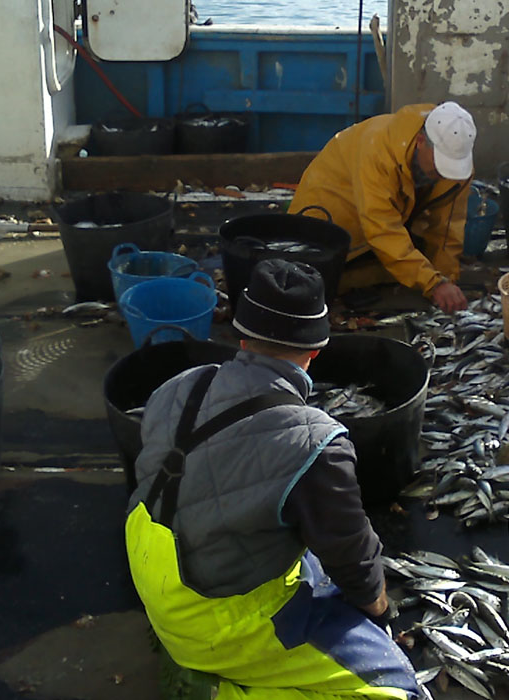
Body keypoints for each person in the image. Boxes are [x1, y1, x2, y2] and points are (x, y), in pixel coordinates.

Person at [125, 258, 419, 700]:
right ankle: (222, 690)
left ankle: (192, 648)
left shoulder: (180, 385)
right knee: (396, 690)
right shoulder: (316, 442)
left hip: (152, 569)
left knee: (307, 560)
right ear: (317, 350)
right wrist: (378, 611)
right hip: (214, 615)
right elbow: (350, 552)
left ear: (241, 336)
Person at [288, 101, 477, 313]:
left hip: (382, 221)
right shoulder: (378, 151)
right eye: (440, 164)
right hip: (328, 218)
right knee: (315, 280)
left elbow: (447, 227)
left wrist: (445, 280)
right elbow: (382, 229)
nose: (445, 174)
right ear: (421, 142)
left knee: (404, 264)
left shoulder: (457, 168)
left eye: (451, 167)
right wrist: (433, 283)